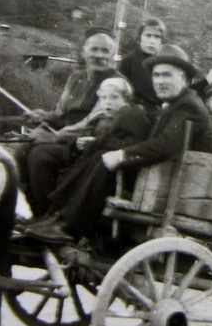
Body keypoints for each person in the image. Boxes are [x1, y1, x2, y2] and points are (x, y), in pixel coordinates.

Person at [24, 45, 212, 243]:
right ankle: (56, 216)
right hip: (161, 176)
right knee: (100, 154)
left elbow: (165, 145)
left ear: (183, 78)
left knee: (105, 159)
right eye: (156, 75)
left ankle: (69, 226)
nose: (160, 81)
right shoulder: (176, 104)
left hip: (175, 185)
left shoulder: (188, 106)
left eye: (167, 75)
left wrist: (122, 155)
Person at [22, 77, 151, 242]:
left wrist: (94, 143)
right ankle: (48, 215)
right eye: (104, 98)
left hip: (114, 170)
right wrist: (79, 143)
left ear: (126, 99)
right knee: (42, 154)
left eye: (114, 97)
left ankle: (61, 221)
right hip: (90, 158)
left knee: (73, 162)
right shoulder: (101, 116)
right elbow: (85, 134)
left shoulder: (131, 114)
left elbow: (133, 144)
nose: (108, 102)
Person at [23, 30, 119, 217]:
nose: (99, 55)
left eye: (105, 51)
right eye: (94, 49)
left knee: (40, 155)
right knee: (22, 150)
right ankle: (31, 210)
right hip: (65, 137)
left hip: (88, 142)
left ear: (112, 54)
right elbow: (60, 112)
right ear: (84, 52)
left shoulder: (114, 83)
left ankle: (49, 215)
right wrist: (43, 116)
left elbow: (93, 121)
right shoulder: (76, 78)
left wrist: (54, 137)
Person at [117, 17, 166, 113]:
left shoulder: (164, 62)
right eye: (148, 35)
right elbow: (121, 92)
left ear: (161, 41)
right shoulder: (128, 61)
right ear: (139, 38)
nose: (152, 41)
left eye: (157, 37)